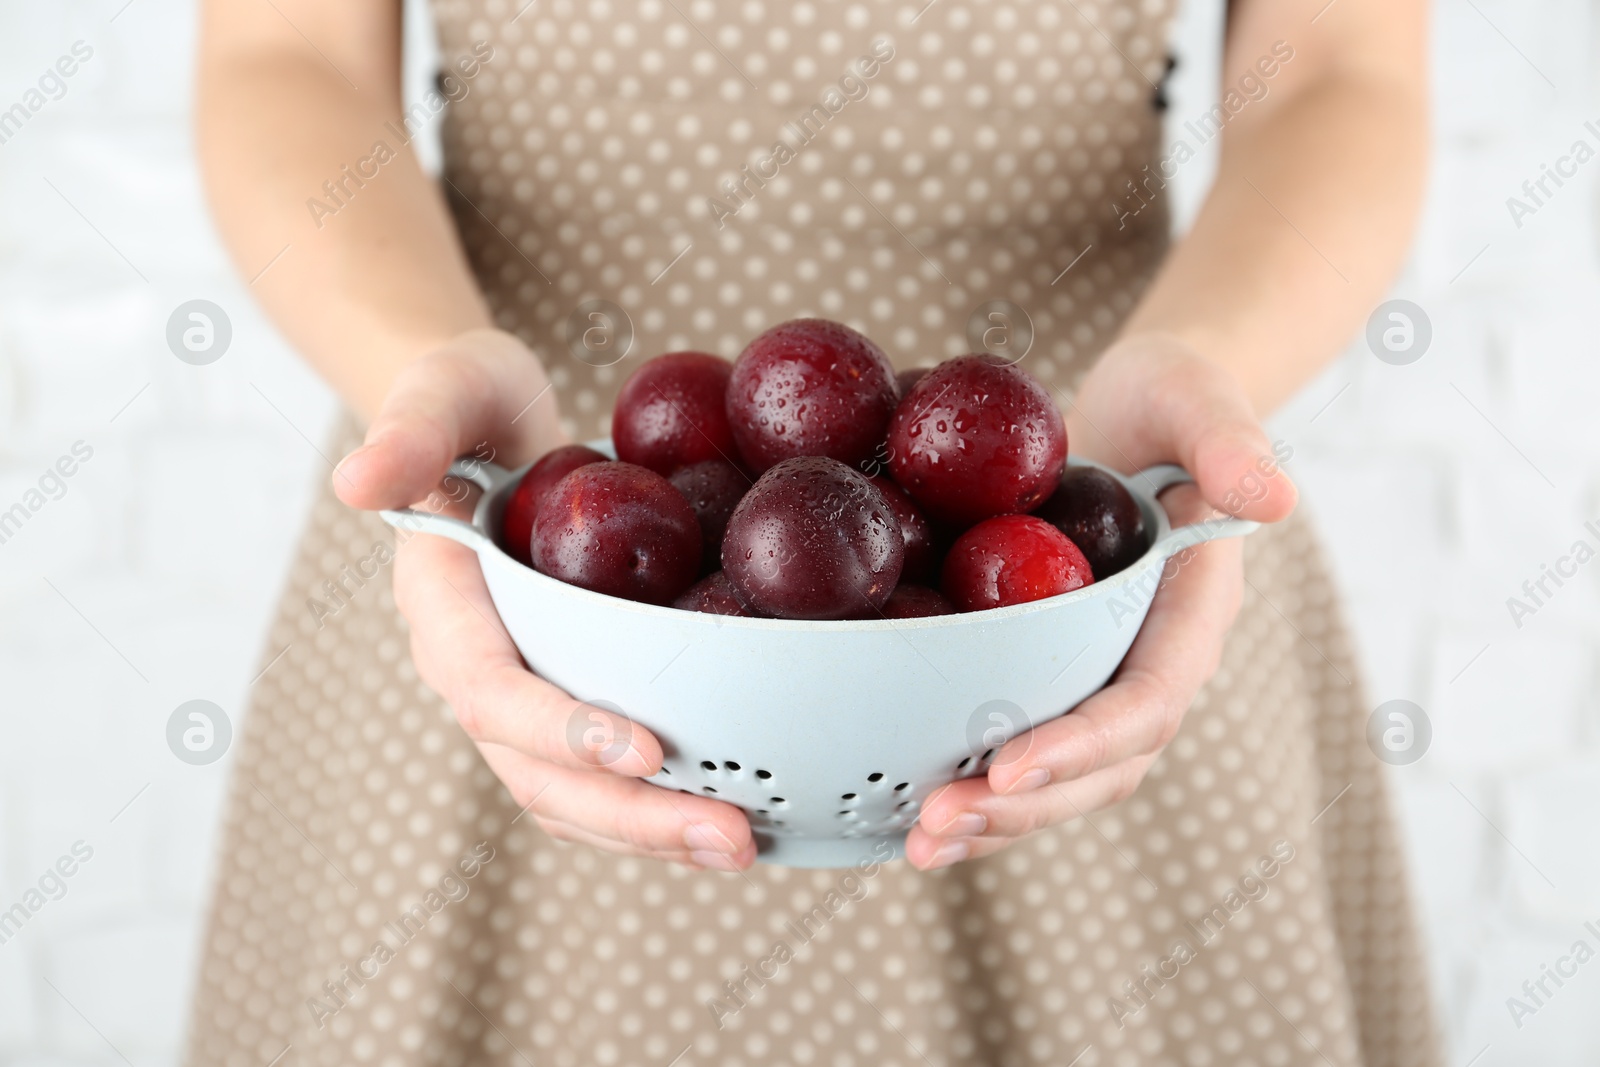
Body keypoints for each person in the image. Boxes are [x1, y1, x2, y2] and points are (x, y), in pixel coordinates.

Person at [187, 0, 1438, 1062]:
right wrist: (423, 376)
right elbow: (282, 59)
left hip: (1072, 585)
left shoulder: (1066, 536)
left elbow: (1337, 70)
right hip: (517, 560)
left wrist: (1200, 371)